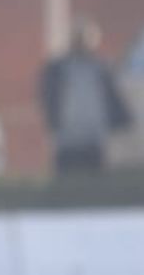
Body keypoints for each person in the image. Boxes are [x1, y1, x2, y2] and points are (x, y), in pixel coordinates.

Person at [38, 19, 133, 176]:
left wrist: (121, 121)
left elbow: (113, 98)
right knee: (68, 183)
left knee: (95, 183)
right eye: (78, 37)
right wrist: (53, 122)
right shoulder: (57, 69)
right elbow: (47, 98)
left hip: (95, 138)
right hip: (67, 139)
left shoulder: (101, 68)